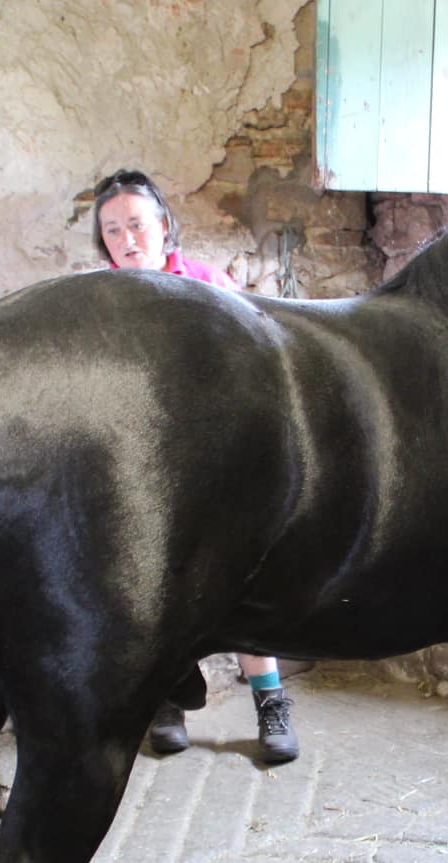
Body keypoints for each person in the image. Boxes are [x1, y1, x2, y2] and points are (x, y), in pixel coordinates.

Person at [90, 169, 299, 764]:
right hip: (140, 471)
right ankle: (167, 701)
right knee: (153, 589)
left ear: (163, 228)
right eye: (112, 230)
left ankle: (271, 701)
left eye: (136, 224)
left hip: (211, 464)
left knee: (241, 582)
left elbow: (259, 363)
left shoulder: (209, 285)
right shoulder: (97, 303)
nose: (127, 238)